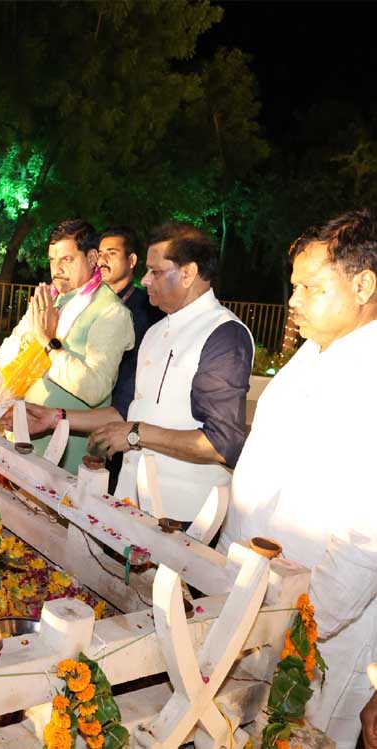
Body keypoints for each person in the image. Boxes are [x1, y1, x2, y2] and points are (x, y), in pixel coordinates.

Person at [218, 209, 377, 748]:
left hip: (318, 631)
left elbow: (367, 538)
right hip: (254, 600)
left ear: (363, 286)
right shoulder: (311, 353)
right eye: (294, 286)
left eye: (311, 288)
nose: (293, 300)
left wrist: (303, 627)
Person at [4, 222, 253, 523]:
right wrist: (55, 417)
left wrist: (136, 435)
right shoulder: (155, 332)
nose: (145, 280)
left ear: (188, 273)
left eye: (155, 272)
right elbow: (124, 413)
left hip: (184, 516)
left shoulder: (223, 334)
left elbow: (222, 442)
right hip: (132, 499)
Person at [0, 219, 133, 472]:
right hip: (22, 435)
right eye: (52, 260)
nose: (57, 269)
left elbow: (95, 388)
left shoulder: (110, 311)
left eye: (67, 259)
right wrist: (37, 338)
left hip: (69, 452)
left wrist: (46, 342)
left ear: (92, 258)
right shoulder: (48, 299)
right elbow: (5, 357)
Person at [97, 226, 165, 489]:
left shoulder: (147, 309)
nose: (102, 260)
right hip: (87, 415)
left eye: (111, 253)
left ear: (132, 260)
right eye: (100, 253)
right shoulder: (91, 304)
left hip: (122, 421)